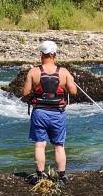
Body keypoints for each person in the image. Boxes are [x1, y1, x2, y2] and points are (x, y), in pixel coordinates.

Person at [22, 40, 77, 186]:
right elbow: (73, 91)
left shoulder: (34, 72)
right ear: (54, 55)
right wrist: (67, 82)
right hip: (57, 113)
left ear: (42, 55)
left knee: (40, 145)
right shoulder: (64, 72)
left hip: (40, 112)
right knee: (59, 146)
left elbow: (25, 92)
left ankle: (40, 176)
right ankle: (62, 176)